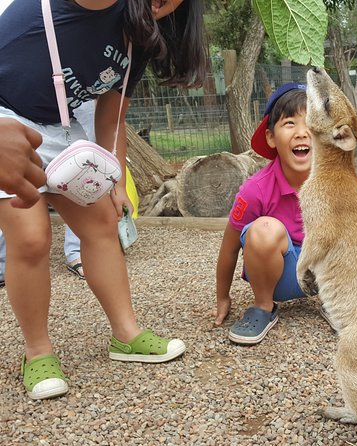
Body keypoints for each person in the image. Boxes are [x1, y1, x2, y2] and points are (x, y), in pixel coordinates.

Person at [0, 0, 206, 400]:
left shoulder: (140, 36)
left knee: (101, 224)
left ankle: (126, 334)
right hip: (5, 119)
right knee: (30, 237)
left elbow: (112, 115)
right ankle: (37, 352)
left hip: (62, 125)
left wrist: (114, 179)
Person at [215, 83, 330, 345]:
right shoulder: (256, 189)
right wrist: (222, 297)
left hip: (327, 274)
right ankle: (263, 307)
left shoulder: (334, 181)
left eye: (311, 123)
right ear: (270, 138)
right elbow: (230, 247)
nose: (302, 133)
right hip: (282, 275)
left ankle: (336, 302)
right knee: (264, 229)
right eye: (290, 123)